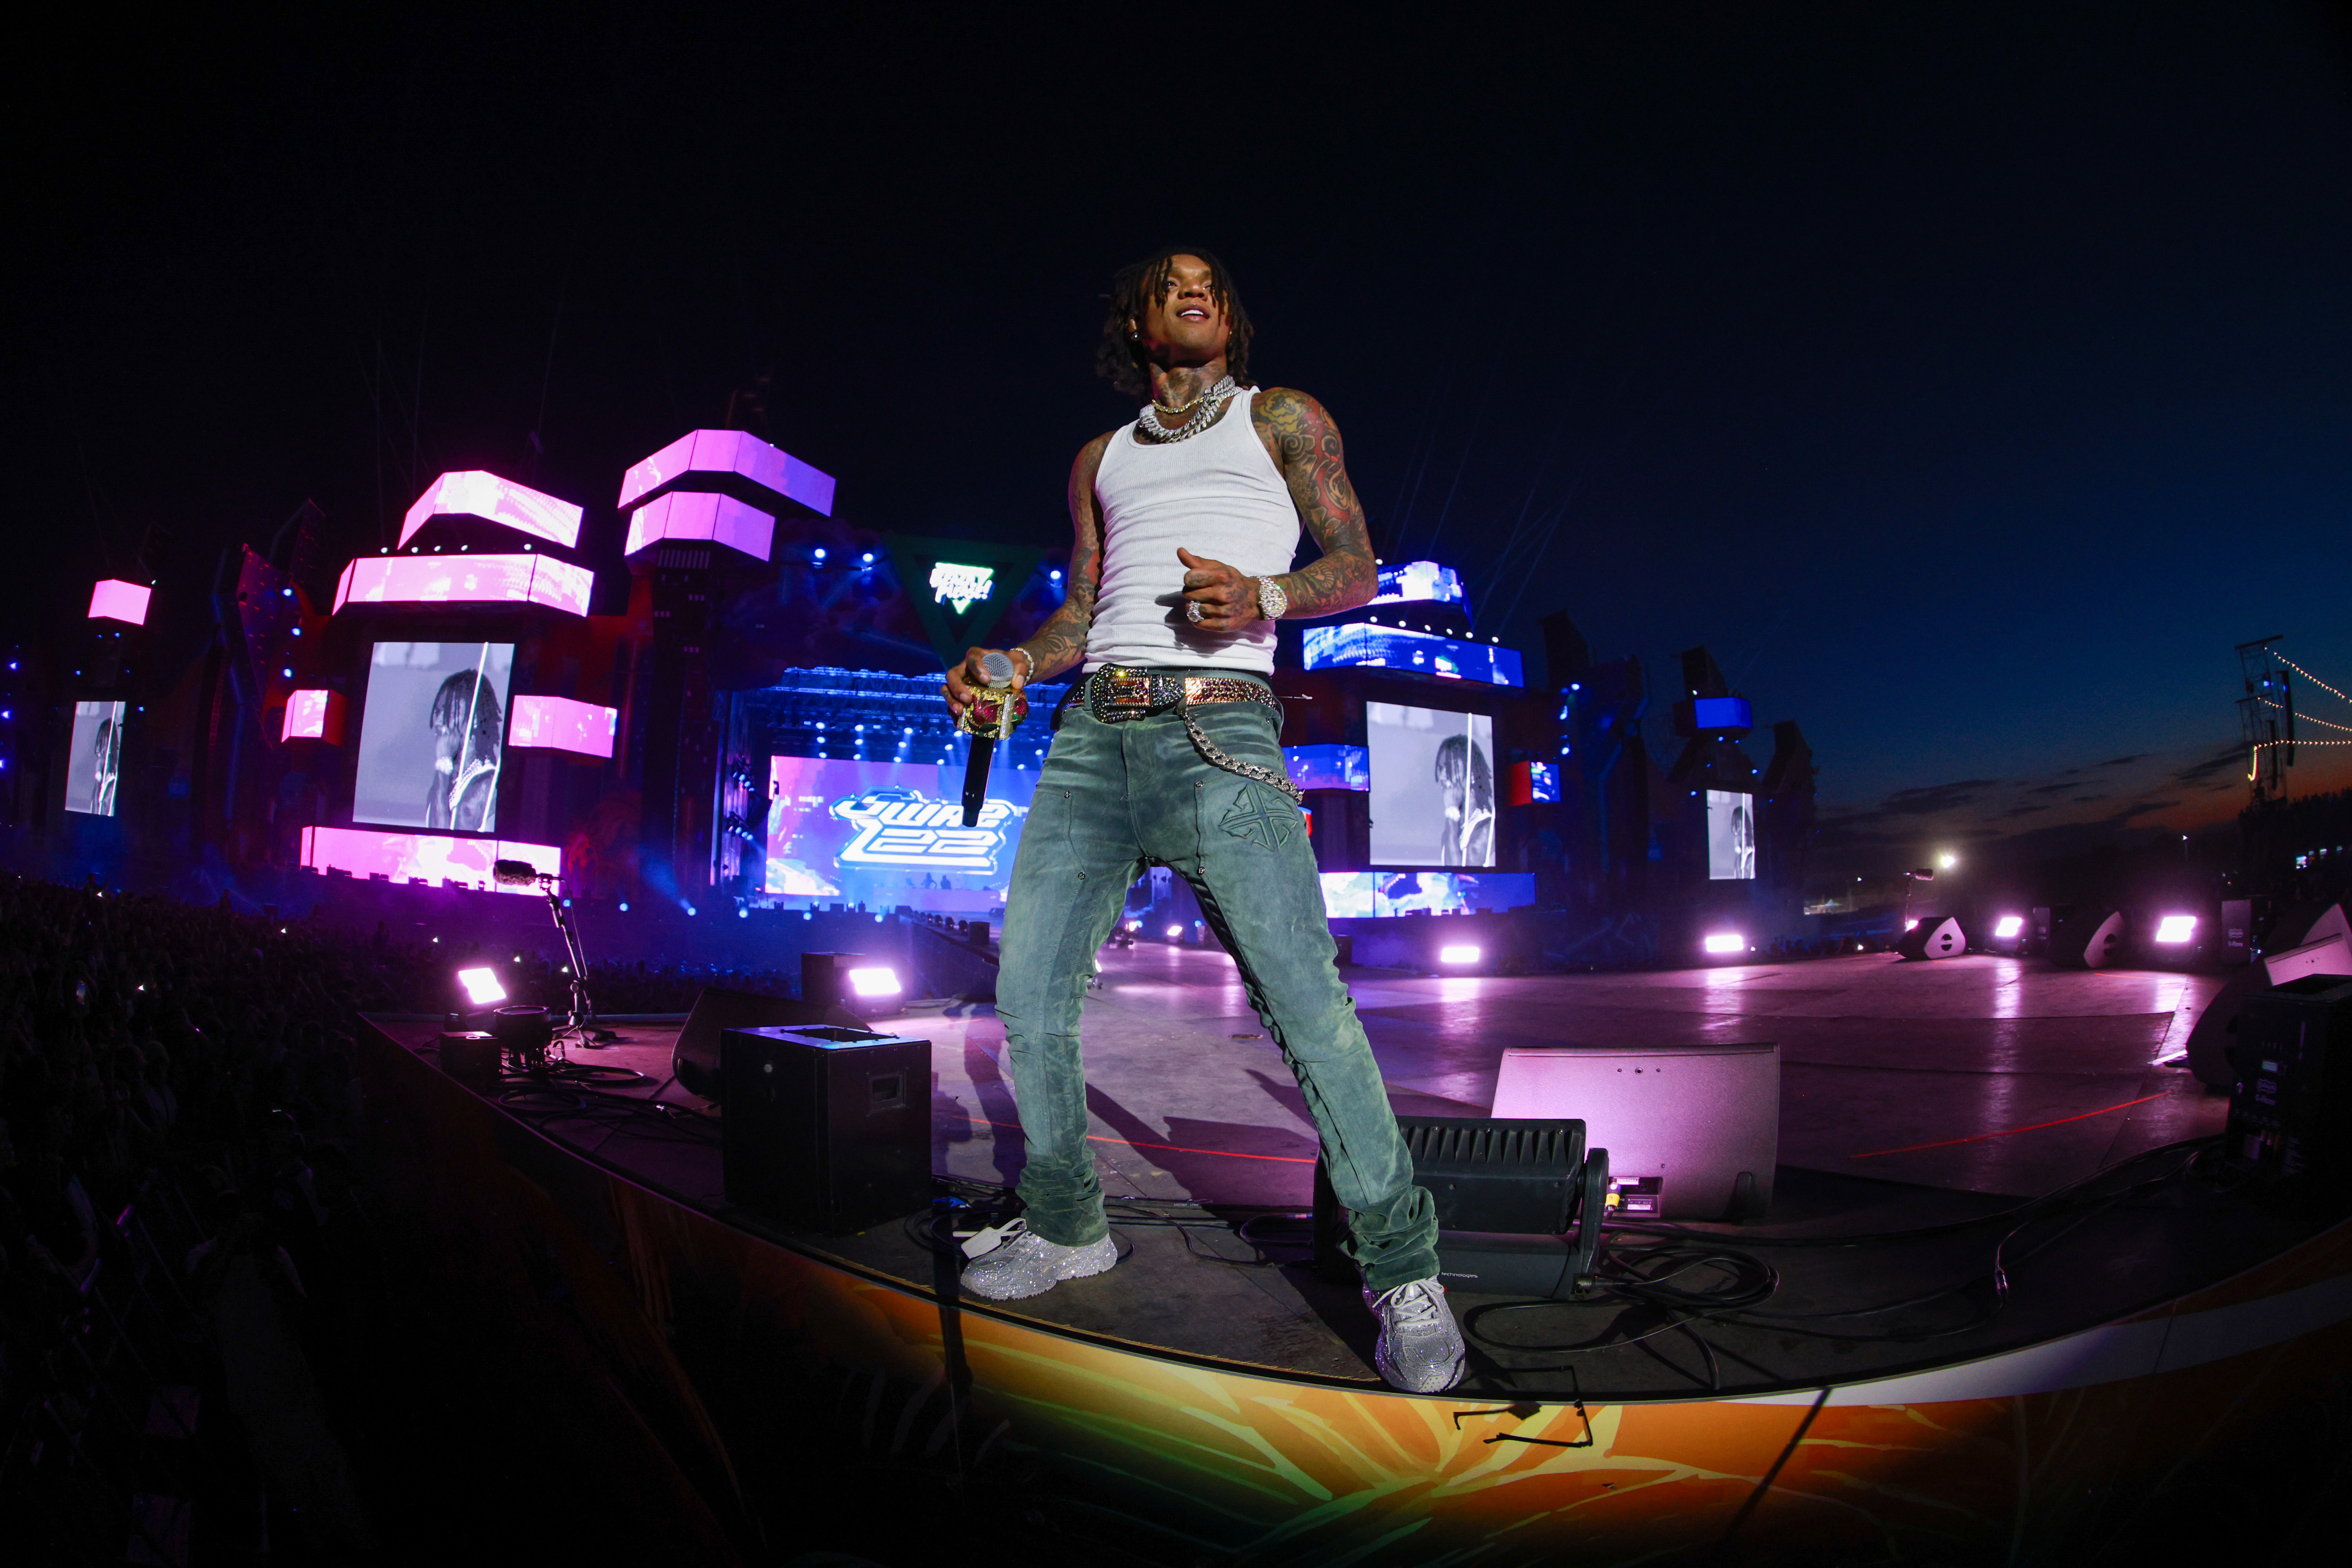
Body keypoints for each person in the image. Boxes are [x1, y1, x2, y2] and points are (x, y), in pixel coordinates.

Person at [942, 248, 1462, 1393]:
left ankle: (1404, 1269)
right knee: (1029, 998)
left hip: (1221, 733)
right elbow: (1082, 609)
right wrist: (1011, 663)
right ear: (1135, 319)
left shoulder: (1281, 418)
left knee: (1307, 1009)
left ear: (1227, 317)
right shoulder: (1100, 458)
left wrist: (1264, 594)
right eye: (1171, 281)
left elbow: (1357, 563)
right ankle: (1068, 1224)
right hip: (1091, 739)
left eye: (1211, 284)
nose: (1195, 289)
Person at [425, 668, 503, 831]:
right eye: (438, 712)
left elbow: (444, 840)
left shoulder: (487, 785)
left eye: (448, 712)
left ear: (475, 719)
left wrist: (443, 763)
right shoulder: (444, 781)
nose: (438, 722)